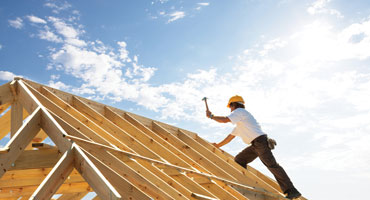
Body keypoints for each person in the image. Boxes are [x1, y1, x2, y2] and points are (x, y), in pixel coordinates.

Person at [206, 95, 301, 199]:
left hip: (260, 142)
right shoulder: (241, 124)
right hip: (255, 145)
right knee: (239, 160)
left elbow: (225, 120)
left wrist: (212, 117)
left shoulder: (240, 112)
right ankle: (245, 182)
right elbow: (229, 138)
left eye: (230, 106)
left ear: (234, 105)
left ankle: (292, 191)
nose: (230, 109)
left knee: (272, 166)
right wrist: (217, 145)